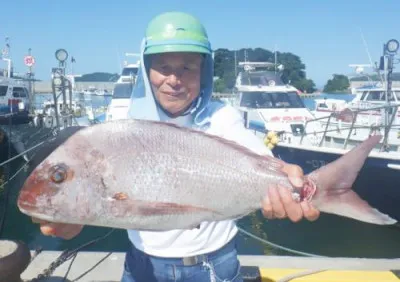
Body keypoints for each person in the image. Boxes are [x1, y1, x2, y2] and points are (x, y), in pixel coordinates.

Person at [34, 12, 320, 282]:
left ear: (203, 71)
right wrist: (71, 219)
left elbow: (266, 166)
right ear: (147, 72)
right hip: (142, 264)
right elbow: (102, 200)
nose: (174, 79)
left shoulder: (223, 117)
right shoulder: (121, 126)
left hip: (214, 263)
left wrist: (291, 180)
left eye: (187, 67)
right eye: (163, 67)